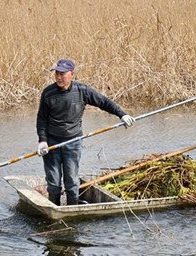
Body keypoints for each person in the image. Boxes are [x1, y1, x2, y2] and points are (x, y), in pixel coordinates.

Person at [36, 59, 135, 206]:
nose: (59, 77)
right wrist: (42, 140)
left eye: (62, 74)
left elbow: (104, 102)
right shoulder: (48, 93)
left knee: (71, 181)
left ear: (72, 74)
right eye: (57, 73)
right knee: (54, 183)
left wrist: (122, 115)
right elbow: (41, 119)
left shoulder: (82, 91)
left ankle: (72, 208)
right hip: (52, 143)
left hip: (73, 142)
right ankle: (55, 208)